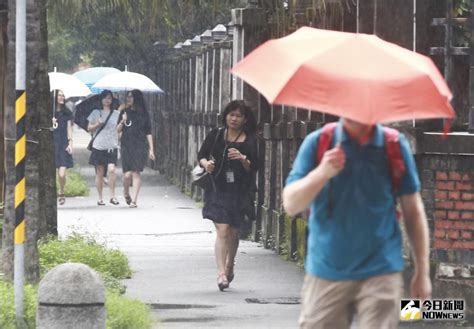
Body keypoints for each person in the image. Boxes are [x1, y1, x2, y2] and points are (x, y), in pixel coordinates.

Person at [283, 118, 432, 329]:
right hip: (327, 268)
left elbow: (413, 212)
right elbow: (291, 203)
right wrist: (322, 172)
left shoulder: (394, 145)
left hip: (381, 268)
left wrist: (422, 271)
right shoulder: (318, 142)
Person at [198, 100, 258, 291]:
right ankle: (221, 273)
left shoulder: (250, 139)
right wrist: (206, 164)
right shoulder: (216, 134)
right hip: (217, 188)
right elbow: (201, 155)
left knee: (233, 231)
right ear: (225, 116)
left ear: (245, 119)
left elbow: (255, 166)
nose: (233, 118)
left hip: (240, 190)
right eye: (231, 114)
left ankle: (230, 263)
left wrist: (242, 159)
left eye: (238, 115)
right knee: (222, 229)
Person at [117, 89, 155, 208]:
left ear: (137, 99)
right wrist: (123, 121)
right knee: (127, 175)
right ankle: (126, 192)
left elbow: (148, 132)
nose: (129, 99)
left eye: (131, 97)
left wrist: (151, 149)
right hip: (126, 145)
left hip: (140, 146)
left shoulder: (144, 114)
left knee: (136, 173)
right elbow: (117, 130)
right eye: (128, 96)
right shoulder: (124, 112)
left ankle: (134, 200)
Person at [87, 89, 121, 206]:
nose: (107, 100)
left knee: (111, 170)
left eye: (109, 98)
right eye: (105, 98)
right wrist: (97, 124)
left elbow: (118, 130)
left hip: (112, 145)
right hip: (98, 146)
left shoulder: (117, 114)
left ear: (112, 100)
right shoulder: (95, 113)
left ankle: (112, 196)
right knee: (100, 173)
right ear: (101, 99)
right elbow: (89, 128)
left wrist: (123, 122)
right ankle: (100, 198)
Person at [52, 89, 73, 205]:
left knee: (62, 173)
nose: (61, 97)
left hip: (63, 143)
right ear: (55, 97)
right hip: (52, 144)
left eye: (63, 96)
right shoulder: (50, 112)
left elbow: (69, 128)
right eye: (59, 95)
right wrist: (51, 122)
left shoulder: (67, 112)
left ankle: (62, 191)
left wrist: (70, 143)